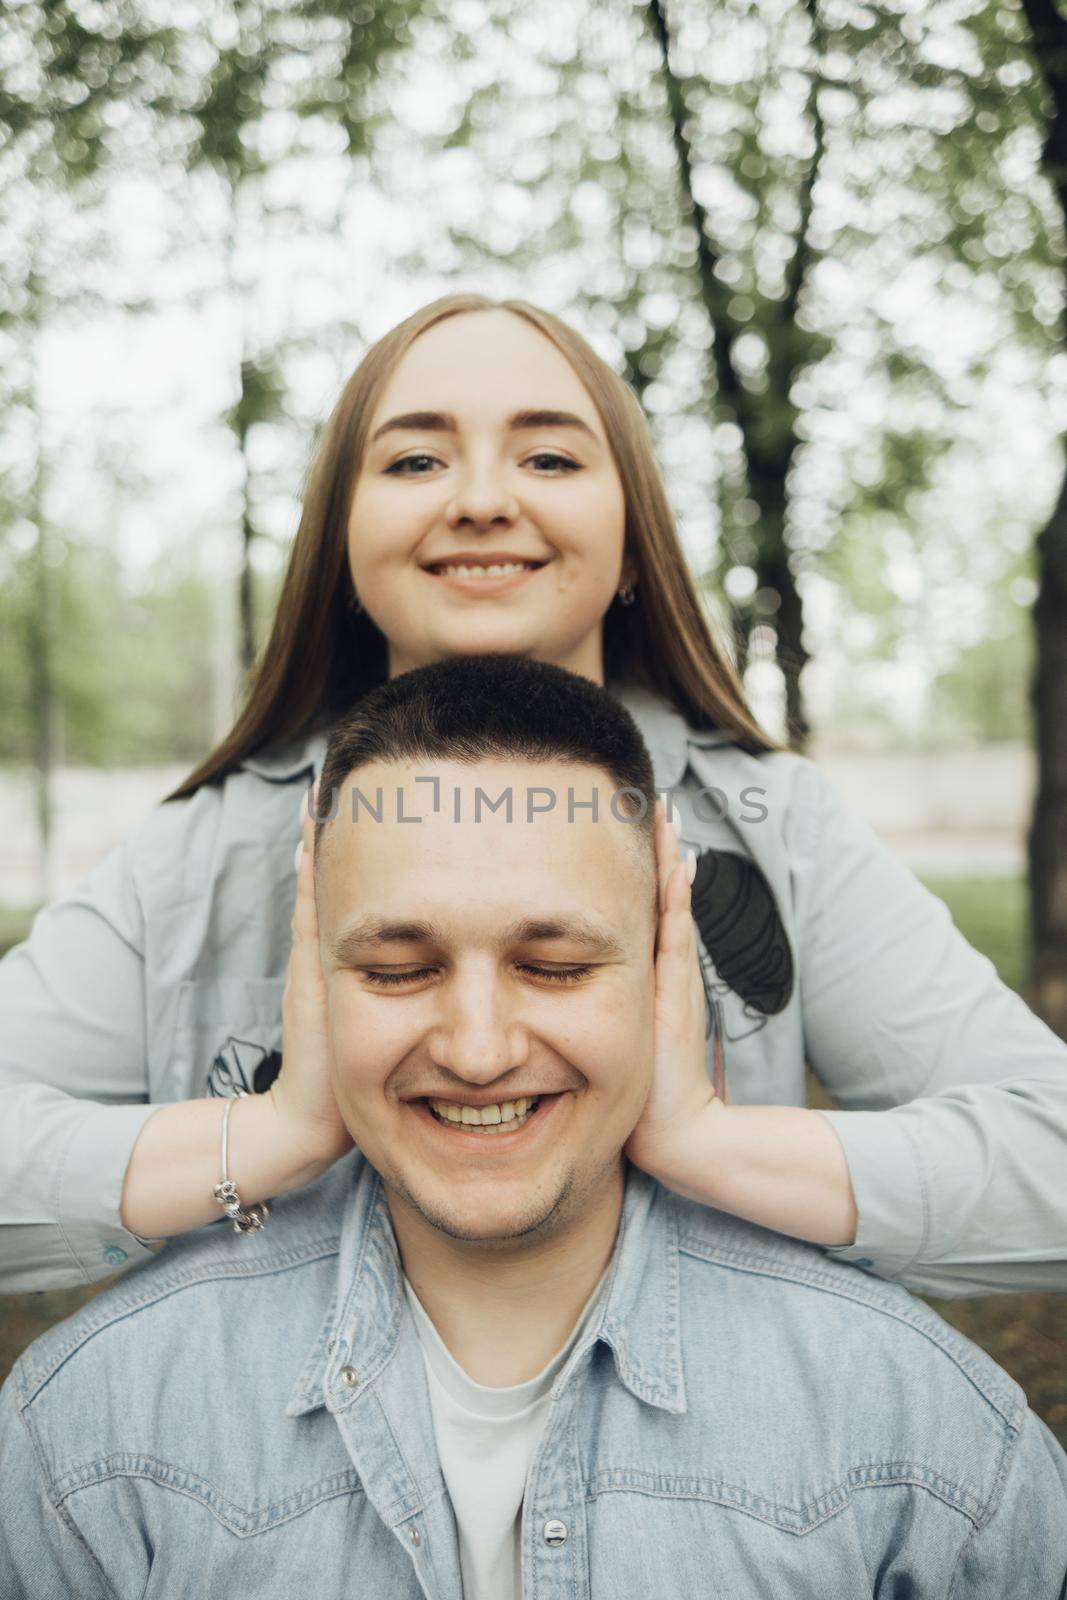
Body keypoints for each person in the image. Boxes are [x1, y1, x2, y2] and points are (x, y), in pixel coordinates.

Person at [1, 292, 1065, 1298]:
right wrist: (271, 1134)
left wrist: (704, 1142)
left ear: (634, 541)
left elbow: (1044, 1157)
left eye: (549, 455)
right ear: (340, 542)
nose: (478, 500)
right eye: (415, 458)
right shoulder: (200, 851)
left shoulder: (773, 826)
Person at [2, 655, 1065, 1600]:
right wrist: (273, 1129)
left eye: (552, 967)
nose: (475, 1047)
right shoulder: (91, 1433)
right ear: (312, 979)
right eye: (396, 969)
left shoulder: (915, 1431)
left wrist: (701, 1136)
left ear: (663, 968)